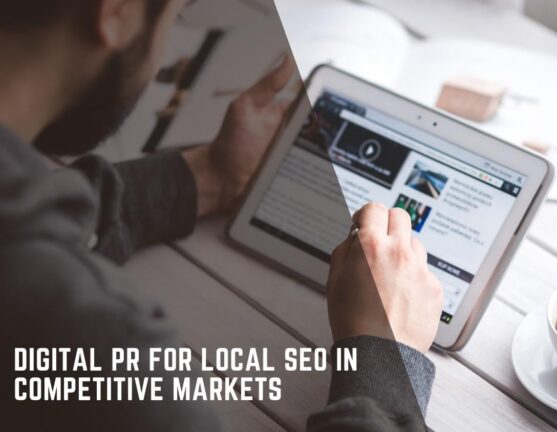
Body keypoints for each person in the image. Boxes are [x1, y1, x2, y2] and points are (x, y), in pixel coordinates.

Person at [0, 0, 444, 430]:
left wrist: (208, 176)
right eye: (178, 12)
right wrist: (386, 358)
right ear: (116, 9)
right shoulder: (105, 358)